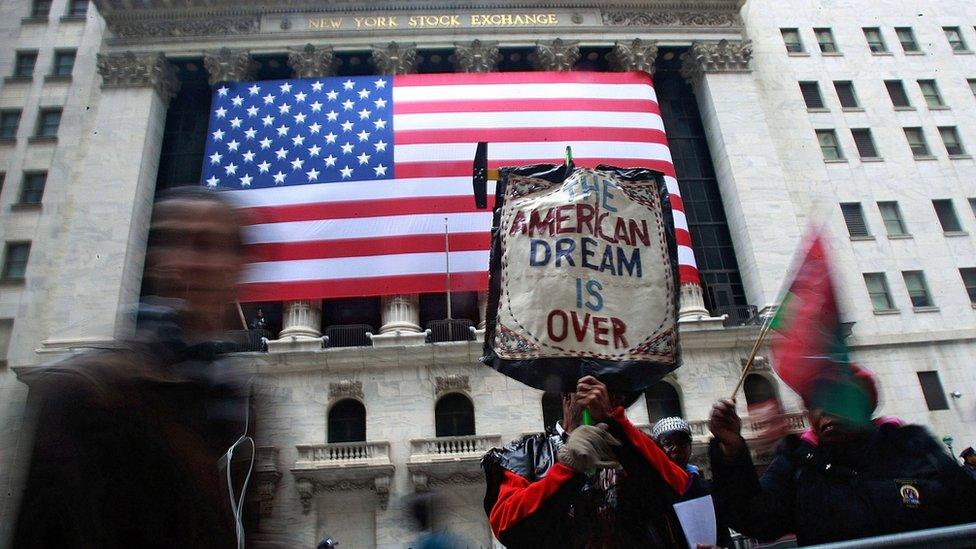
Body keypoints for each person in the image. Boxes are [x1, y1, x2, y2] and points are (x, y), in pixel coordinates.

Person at [13, 187, 257, 548]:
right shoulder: (84, 388)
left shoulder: (242, 402)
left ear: (239, 265)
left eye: (206, 244)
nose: (185, 260)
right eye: (170, 240)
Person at [707, 366, 976, 545]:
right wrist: (732, 452)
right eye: (814, 404)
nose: (825, 411)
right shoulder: (797, 465)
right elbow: (755, 520)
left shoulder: (917, 451)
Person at [481, 376, 692, 548]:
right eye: (588, 389)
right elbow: (506, 525)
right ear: (566, 396)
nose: (597, 396)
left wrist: (616, 425)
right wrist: (567, 469)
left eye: (607, 392)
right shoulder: (527, 453)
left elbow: (677, 490)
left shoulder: (634, 445)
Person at [651, 417, 732, 548]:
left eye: (682, 443)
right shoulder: (648, 490)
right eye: (668, 443)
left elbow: (724, 536)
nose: (676, 448)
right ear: (657, 449)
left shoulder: (707, 490)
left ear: (690, 447)